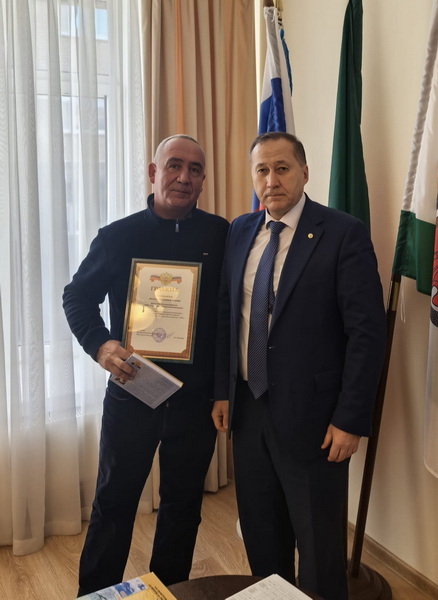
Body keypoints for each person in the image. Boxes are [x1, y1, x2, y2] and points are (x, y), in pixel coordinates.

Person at [212, 132, 387, 600]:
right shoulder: (239, 231)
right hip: (249, 412)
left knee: (319, 550)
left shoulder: (342, 233)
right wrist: (222, 391)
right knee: (262, 536)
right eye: (262, 170)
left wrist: (350, 419)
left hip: (316, 422)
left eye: (282, 168)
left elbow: (367, 334)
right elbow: (228, 317)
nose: (271, 180)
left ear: (305, 173)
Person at [63, 135, 229, 596]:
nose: (184, 177)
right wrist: (101, 346)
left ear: (203, 180)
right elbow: (77, 297)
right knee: (113, 505)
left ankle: (169, 592)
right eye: (173, 165)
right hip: (132, 391)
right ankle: (95, 595)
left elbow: (226, 319)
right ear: (153, 173)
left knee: (183, 508)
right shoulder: (117, 237)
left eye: (195, 169)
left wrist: (221, 391)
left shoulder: (221, 235)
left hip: (195, 402)